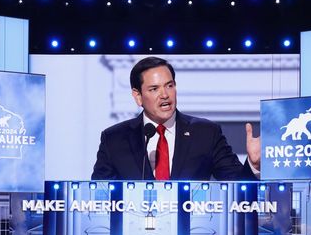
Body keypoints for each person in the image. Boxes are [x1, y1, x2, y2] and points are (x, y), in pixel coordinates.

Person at [91, 56, 261, 181]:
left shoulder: (206, 133)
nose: (165, 95)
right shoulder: (114, 139)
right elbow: (98, 196)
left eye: (169, 86)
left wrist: (253, 165)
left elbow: (238, 188)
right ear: (138, 96)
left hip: (193, 228)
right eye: (154, 89)